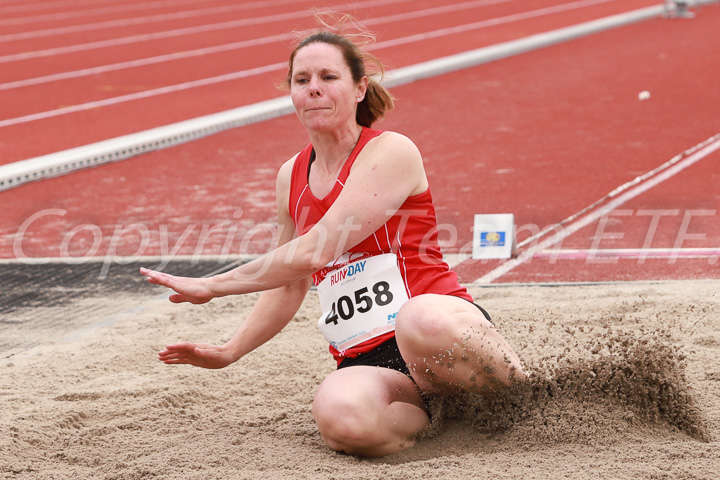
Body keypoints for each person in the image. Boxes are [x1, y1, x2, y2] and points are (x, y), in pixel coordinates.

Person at [140, 27, 524, 457]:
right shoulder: (291, 176)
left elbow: (317, 250)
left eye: (328, 77)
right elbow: (292, 282)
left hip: (440, 331)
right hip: (370, 356)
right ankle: (445, 425)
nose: (314, 90)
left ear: (360, 88)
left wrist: (212, 285)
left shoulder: (391, 151)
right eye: (301, 81)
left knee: (419, 319)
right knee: (342, 418)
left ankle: (522, 404)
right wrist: (231, 350)